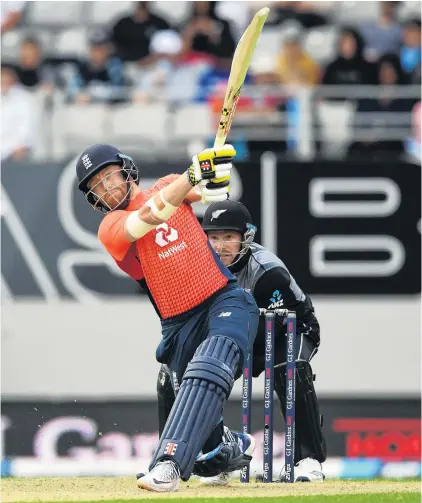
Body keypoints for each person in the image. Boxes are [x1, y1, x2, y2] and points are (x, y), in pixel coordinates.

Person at [75, 144, 260, 493]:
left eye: (108, 176)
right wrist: (192, 174)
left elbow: (214, 191)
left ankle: (168, 465)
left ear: (126, 169)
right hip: (178, 327)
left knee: (211, 359)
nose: (107, 188)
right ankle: (227, 446)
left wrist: (213, 172)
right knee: (209, 451)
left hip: (225, 299)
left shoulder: (168, 184)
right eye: (97, 185)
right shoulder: (111, 227)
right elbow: (147, 218)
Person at [156, 200, 327, 484]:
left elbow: (284, 321)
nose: (220, 246)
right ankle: (210, 456)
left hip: (288, 329)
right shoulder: (195, 269)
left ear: (244, 237)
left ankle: (307, 460)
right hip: (236, 331)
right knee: (174, 374)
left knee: (290, 367)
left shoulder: (268, 272)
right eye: (213, 238)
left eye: (229, 238)